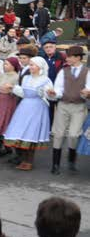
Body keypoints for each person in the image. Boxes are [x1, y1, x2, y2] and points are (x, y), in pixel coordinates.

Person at [4, 57, 53, 171]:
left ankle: (29, 161)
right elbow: (23, 93)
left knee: (31, 133)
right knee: (20, 131)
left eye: (33, 65)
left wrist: (50, 93)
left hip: (37, 107)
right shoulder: (26, 78)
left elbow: (49, 95)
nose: (30, 67)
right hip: (24, 107)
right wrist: (13, 87)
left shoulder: (45, 80)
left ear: (40, 67)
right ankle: (23, 158)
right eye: (30, 65)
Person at [46, 46, 89, 174]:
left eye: (69, 56)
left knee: (74, 135)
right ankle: (55, 164)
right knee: (58, 134)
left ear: (77, 57)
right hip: (63, 105)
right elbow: (59, 88)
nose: (67, 58)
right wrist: (54, 93)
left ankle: (71, 160)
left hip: (79, 106)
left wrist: (86, 92)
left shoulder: (87, 72)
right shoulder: (63, 71)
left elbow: (88, 87)